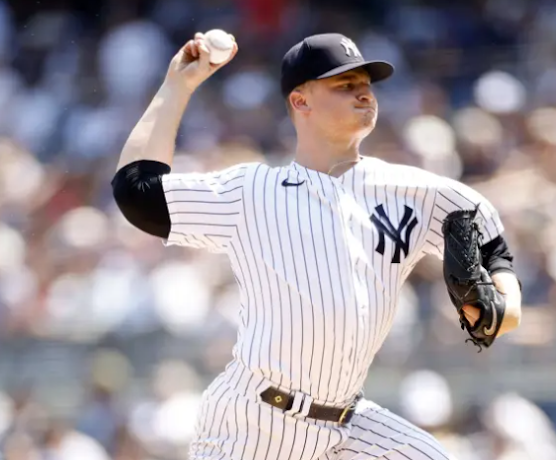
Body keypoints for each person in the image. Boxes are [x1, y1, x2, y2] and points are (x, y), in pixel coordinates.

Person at [111, 31, 522, 460]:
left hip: (349, 421)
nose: (363, 94)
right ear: (300, 101)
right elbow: (137, 194)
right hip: (254, 423)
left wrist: (501, 309)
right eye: (345, 86)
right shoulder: (252, 191)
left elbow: (495, 256)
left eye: (366, 85)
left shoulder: (421, 193)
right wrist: (178, 86)